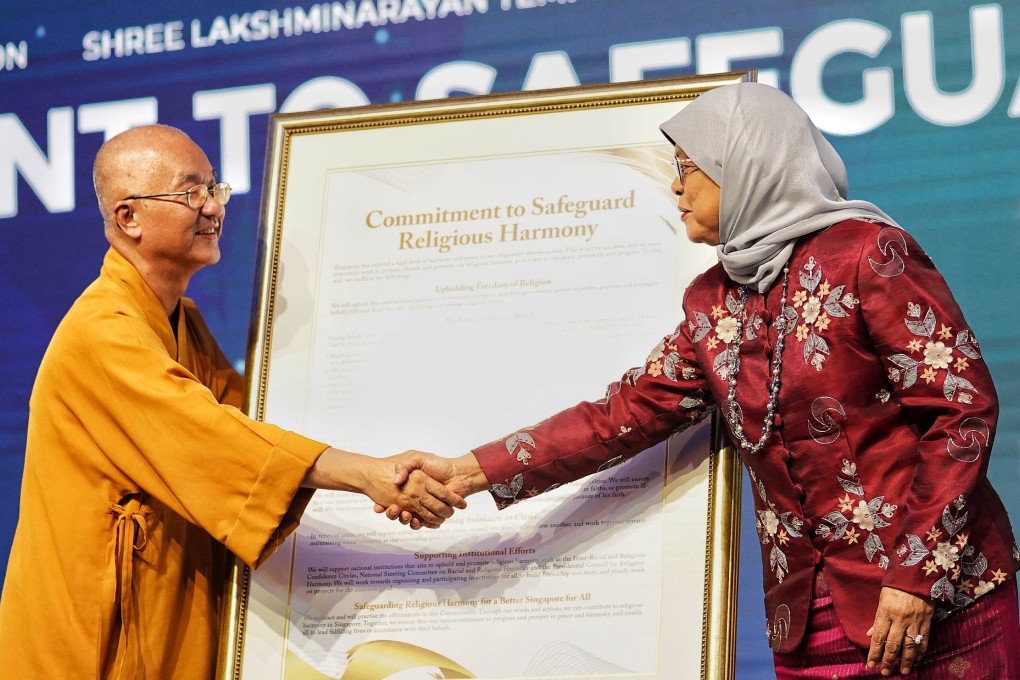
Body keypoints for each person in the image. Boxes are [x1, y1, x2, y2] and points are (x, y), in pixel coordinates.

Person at [386, 83, 1020, 677]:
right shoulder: (711, 300)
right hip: (806, 617)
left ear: (743, 166)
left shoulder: (867, 253)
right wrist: (464, 472)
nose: (675, 186)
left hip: (936, 602)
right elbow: (621, 415)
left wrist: (915, 577)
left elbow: (961, 412)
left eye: (687, 168)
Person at [0, 124, 465, 679]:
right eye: (190, 192)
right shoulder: (100, 333)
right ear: (129, 217)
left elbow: (254, 423)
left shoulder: (183, 321)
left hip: (166, 608)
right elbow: (218, 443)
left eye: (214, 188)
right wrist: (367, 474)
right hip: (93, 633)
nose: (213, 207)